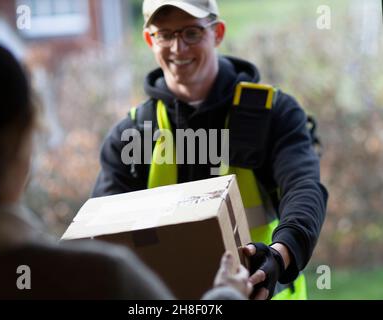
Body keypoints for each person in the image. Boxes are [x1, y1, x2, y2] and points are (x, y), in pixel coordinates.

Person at [0, 38, 252, 300]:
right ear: (23, 140)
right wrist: (227, 294)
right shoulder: (98, 278)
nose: (178, 47)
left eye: (190, 33)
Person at [92, 0, 328, 300]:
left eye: (191, 33)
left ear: (217, 33)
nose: (178, 48)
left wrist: (279, 257)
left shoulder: (274, 115)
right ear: (150, 40)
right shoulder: (131, 134)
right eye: (165, 35)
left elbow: (304, 189)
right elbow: (104, 234)